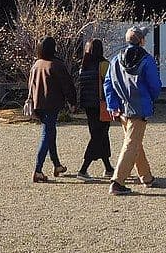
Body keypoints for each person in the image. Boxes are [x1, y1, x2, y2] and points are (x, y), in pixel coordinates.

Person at [104, 26, 163, 196]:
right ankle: (117, 182)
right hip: (140, 107)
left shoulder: (116, 59)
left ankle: (146, 177)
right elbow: (154, 85)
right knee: (132, 144)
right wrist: (151, 98)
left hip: (122, 107)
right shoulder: (147, 60)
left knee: (134, 142)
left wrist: (112, 104)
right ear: (141, 41)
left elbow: (108, 83)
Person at [27, 36, 77, 184]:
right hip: (51, 103)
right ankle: (38, 170)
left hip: (38, 104)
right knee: (47, 134)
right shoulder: (56, 64)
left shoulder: (36, 64)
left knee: (50, 133)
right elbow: (67, 84)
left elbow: (30, 85)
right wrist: (72, 101)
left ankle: (57, 165)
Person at [75, 39, 114, 179]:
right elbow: (111, 84)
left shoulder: (83, 66)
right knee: (99, 136)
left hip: (88, 105)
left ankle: (108, 168)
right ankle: (83, 169)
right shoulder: (104, 65)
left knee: (100, 135)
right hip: (101, 105)